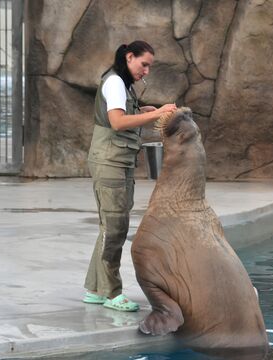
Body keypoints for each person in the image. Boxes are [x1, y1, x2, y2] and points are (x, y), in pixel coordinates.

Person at [82, 40, 177, 311]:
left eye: (149, 66)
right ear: (129, 57)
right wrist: (157, 114)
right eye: (143, 64)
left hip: (118, 162)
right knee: (114, 228)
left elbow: (124, 114)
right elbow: (117, 121)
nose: (146, 71)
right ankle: (112, 293)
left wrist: (142, 111)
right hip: (109, 162)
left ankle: (95, 289)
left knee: (111, 227)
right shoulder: (114, 82)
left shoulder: (123, 85)